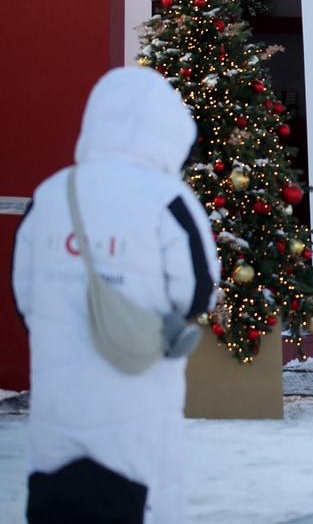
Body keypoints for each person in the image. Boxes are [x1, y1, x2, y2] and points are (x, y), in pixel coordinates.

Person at [11, 67, 218, 523]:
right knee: (140, 494)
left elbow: (22, 293)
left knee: (59, 496)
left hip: (57, 393)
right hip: (138, 381)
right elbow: (198, 292)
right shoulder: (168, 199)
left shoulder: (51, 194)